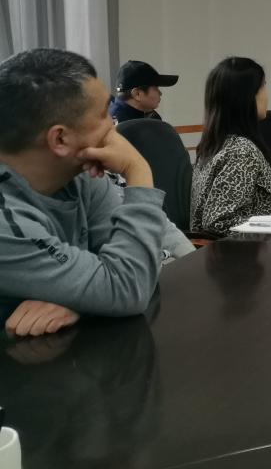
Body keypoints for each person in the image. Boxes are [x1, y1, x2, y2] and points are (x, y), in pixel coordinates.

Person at [0, 49, 168, 336]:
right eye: (103, 114)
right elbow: (129, 285)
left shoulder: (79, 175)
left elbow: (141, 266)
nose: (112, 124)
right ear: (60, 138)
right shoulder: (5, 223)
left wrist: (82, 300)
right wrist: (138, 169)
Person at [190, 57, 271, 235]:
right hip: (244, 251)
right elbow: (219, 223)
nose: (266, 94)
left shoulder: (216, 144)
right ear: (246, 96)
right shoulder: (241, 151)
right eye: (263, 86)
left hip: (230, 249)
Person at [108, 60, 178, 123]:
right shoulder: (119, 127)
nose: (160, 93)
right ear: (137, 94)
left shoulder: (146, 116)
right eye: (155, 88)